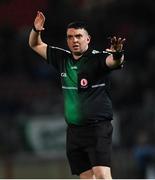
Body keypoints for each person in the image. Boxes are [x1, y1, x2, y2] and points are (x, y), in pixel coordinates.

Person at [29, 11, 125, 179]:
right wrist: (36, 30)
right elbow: (35, 45)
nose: (74, 40)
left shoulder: (97, 59)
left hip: (97, 129)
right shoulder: (62, 58)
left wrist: (117, 54)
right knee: (86, 178)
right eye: (70, 37)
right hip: (74, 132)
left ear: (88, 39)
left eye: (79, 36)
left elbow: (115, 61)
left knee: (102, 175)